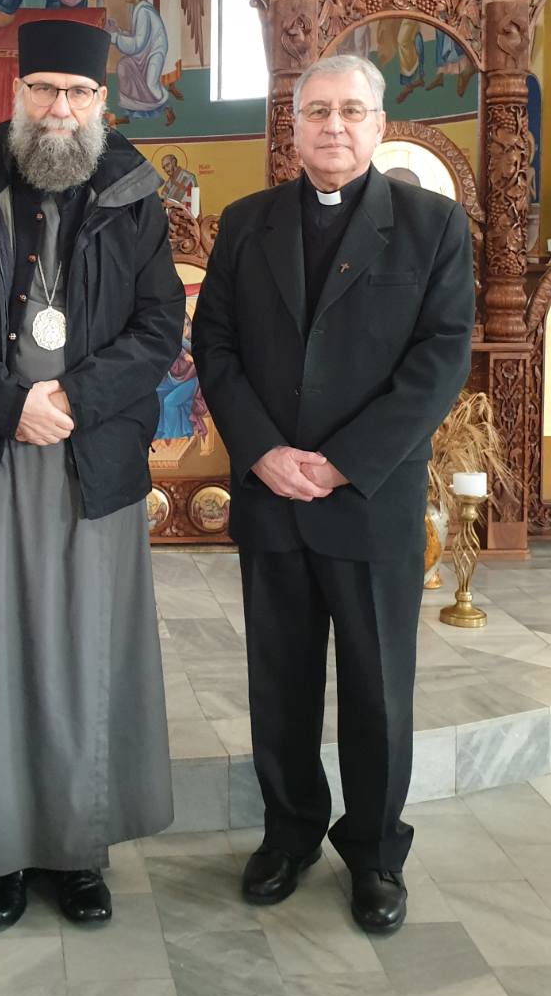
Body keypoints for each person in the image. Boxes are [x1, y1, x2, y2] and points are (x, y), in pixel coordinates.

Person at [0, 19, 183, 930]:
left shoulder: (135, 191)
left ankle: (79, 852)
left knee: (85, 657)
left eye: (78, 92)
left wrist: (74, 399)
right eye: (45, 90)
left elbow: (159, 324)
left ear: (104, 102)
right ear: (18, 95)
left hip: (89, 457)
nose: (61, 108)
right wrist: (6, 401)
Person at [192, 53, 473, 936]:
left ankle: (376, 854)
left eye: (352, 110)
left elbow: (440, 358)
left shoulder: (432, 225)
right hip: (274, 492)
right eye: (317, 111)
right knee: (279, 681)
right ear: (294, 125)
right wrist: (263, 451)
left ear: (379, 124)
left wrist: (345, 461)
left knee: (378, 689)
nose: (334, 126)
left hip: (369, 497)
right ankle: (289, 834)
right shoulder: (248, 223)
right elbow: (216, 346)